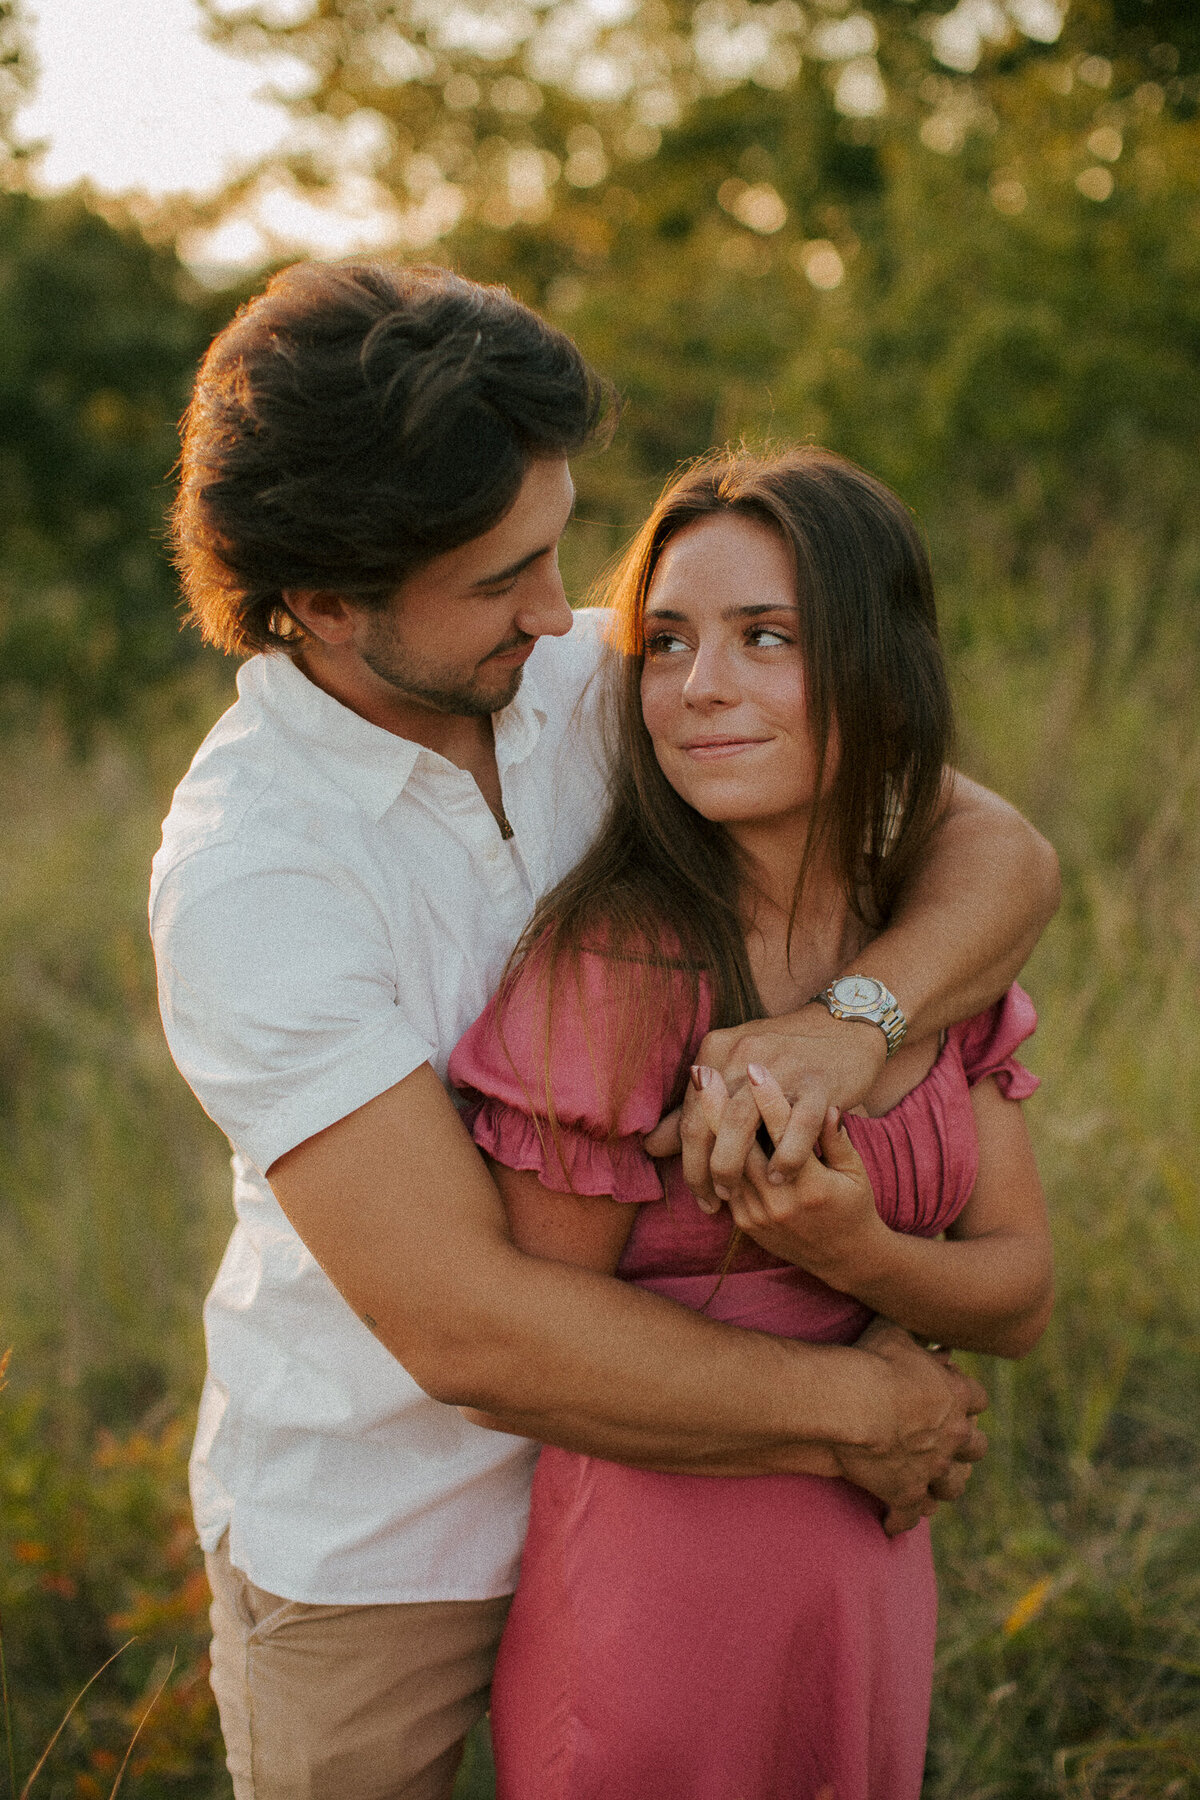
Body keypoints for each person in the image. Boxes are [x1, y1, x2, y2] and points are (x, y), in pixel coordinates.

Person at [150, 260, 1059, 1800]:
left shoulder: (589, 675)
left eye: (555, 548)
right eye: (501, 574)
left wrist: (854, 1023)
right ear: (324, 601)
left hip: (689, 1500)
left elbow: (998, 851)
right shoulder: (254, 875)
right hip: (389, 1546)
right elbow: (473, 1331)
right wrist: (864, 1407)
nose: (558, 606)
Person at [450, 447, 1055, 1800]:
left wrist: (860, 1255)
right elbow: (554, 1350)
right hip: (662, 1590)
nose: (697, 686)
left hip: (871, 1559)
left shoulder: (924, 954)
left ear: (878, 669)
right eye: (665, 642)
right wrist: (858, 1367)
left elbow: (1019, 1297)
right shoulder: (619, 965)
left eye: (764, 638)